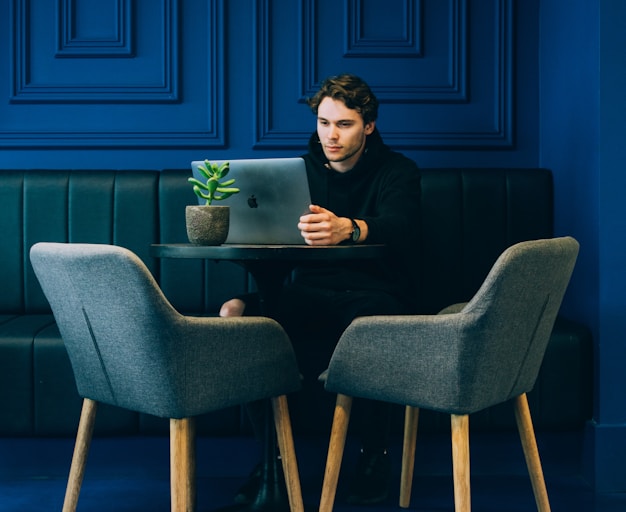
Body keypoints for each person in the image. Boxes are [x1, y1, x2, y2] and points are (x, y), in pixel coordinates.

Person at [220, 73, 421, 505]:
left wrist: (349, 228)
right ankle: (273, 459)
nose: (331, 135)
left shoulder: (397, 171)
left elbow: (402, 228)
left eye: (344, 124)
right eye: (324, 122)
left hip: (373, 293)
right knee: (236, 314)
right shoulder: (298, 173)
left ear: (368, 126)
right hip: (308, 292)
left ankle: (373, 453)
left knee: (374, 324)